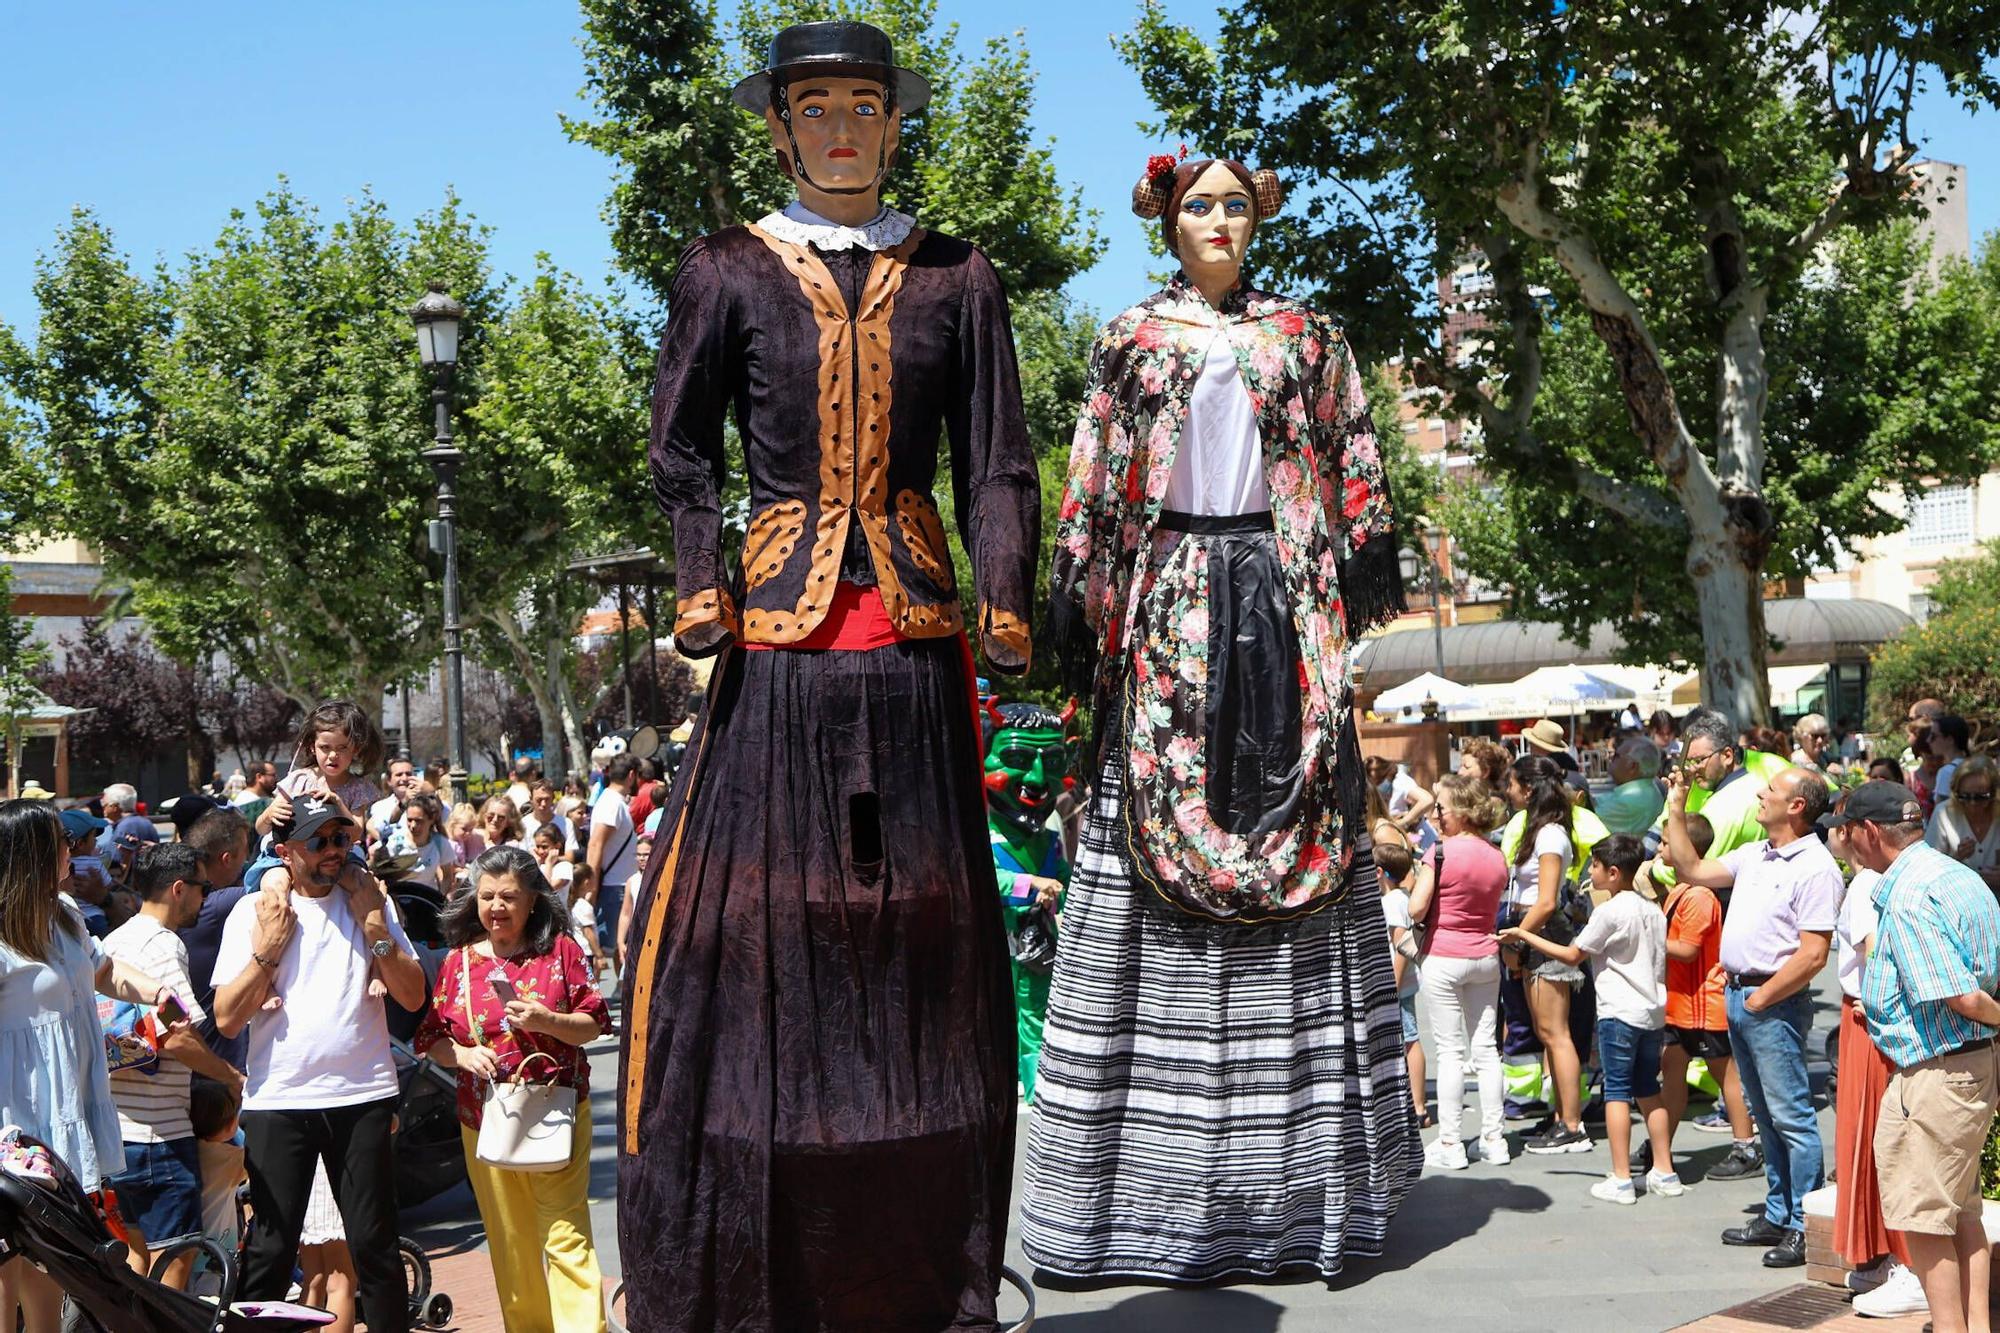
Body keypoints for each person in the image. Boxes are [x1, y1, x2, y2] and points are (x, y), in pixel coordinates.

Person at [621, 21, 1039, 1330]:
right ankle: (755, 1270)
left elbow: (998, 454)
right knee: (759, 935)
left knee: (920, 940)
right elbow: (680, 447)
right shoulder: (725, 269)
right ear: (781, 127)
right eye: (819, 108)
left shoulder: (960, 276)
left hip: (912, 647)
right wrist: (703, 575)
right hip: (781, 647)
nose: (846, 128)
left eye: (867, 104)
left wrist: (1006, 587)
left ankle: (929, 1271)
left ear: (893, 121)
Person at [1025, 146, 1417, 1284]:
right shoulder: (1128, 337)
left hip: (1284, 599)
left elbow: (1352, 460)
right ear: (1167, 219)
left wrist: (1352, 589)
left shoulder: (1307, 337)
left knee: (1307, 818)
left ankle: (1296, 1210)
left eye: (1233, 207)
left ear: (1255, 222)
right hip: (1165, 605)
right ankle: (1134, 1216)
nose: (1216, 222)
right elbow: (1094, 475)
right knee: (1138, 825)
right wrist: (1077, 598)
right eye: (1198, 206)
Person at [211, 792, 424, 1332]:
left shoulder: (372, 902)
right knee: (271, 1248)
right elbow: (228, 1017)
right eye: (318, 841)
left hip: (364, 1095)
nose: (333, 851)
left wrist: (375, 929)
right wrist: (270, 949)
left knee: (374, 1244)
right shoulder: (253, 913)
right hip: (280, 1100)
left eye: (341, 839)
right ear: (285, 851)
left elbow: (413, 996)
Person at [416, 845, 611, 1333]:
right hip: (485, 1120)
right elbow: (431, 1038)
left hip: (558, 1108)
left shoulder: (561, 950)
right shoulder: (458, 962)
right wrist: (461, 1055)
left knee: (565, 1236)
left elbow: (594, 1022)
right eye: (487, 897)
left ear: (533, 902)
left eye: (509, 896)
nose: (496, 907)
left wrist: (548, 1020)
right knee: (510, 1241)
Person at [0, 800, 178, 1333]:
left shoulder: (64, 914)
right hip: (16, 1116)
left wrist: (155, 992)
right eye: (61, 840)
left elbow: (102, 970)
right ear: (32, 854)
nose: (75, 849)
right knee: (6, 1261)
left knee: (51, 1249)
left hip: (65, 1105)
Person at [1833, 780, 2000, 1333]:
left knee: (1927, 1221)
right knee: (1962, 1212)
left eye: (1846, 830)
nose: (1842, 841)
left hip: (1937, 1072)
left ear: (1870, 832)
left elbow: (1962, 996)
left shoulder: (1907, 894)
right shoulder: (1958, 874)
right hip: (1964, 1066)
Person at [1664, 764, 1838, 1268]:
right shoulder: (1758, 853)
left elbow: (1813, 954)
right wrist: (1676, 808)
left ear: (1797, 806)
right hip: (1743, 997)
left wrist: (1763, 997)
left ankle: (1804, 1225)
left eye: (1772, 790)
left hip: (1770, 1000)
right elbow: (1692, 870)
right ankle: (1780, 1212)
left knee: (1791, 1117)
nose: (1761, 794)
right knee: (1765, 1115)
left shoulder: (1815, 866)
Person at [1502, 833, 1680, 1204]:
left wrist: (1524, 934)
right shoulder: (1651, 910)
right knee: (1648, 1088)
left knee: (1616, 1091)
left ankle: (1620, 1178)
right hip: (1651, 1012)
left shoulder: (1611, 911)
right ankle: (1664, 1170)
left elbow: (1572, 955)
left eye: (1596, 866)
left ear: (1613, 872)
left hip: (1620, 1012)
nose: (1591, 872)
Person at [100, 843, 244, 1288]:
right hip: (159, 1137)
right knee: (174, 1267)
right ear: (179, 889)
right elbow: (177, 1034)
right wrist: (231, 1077)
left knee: (136, 1264)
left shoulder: (114, 940)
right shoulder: (164, 945)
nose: (204, 898)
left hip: (114, 1133)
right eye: (201, 888)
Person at [1821, 800, 1923, 1320]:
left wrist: (1881, 994)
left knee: (1876, 1138)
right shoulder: (1874, 882)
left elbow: (1878, 947)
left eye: (1835, 830)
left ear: (1857, 834)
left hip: (1870, 1021)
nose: (1831, 838)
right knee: (1869, 1138)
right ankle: (1884, 1258)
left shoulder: (1864, 886)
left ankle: (1904, 1264)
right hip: (1870, 1015)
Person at [1406, 773, 1511, 1169]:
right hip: (1485, 953)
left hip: (1445, 955)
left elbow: (1417, 908)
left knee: (1450, 1052)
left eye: (1442, 809)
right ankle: (1494, 1138)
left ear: (1462, 812)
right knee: (1486, 1051)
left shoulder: (1439, 854)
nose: (1437, 814)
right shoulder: (1496, 855)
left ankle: (1451, 1142)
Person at [1654, 813, 1761, 1183]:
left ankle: (1745, 1145)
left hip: (1703, 1003)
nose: (1659, 848)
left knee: (1725, 1074)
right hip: (1680, 1003)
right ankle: (1660, 1144)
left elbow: (1686, 950)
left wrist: (1647, 935)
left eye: (1666, 843)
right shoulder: (1681, 890)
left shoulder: (1699, 895)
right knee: (1672, 1072)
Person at [1501, 755, 1591, 1154]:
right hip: (1533, 933)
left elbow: (1547, 900)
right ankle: (1561, 1116)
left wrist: (1519, 937)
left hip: (1542, 934)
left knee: (1556, 1033)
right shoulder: (1543, 831)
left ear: (1529, 788)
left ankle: (1571, 1124)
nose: (1508, 791)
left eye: (1513, 784)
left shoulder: (1550, 835)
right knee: (1547, 1033)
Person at [983, 703, 1072, 1101]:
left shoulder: (1049, 841)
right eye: (1019, 759)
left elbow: (1069, 890)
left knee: (1039, 1014)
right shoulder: (977, 827)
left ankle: (1040, 1096)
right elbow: (981, 878)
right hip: (993, 947)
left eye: (1051, 761)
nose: (1037, 778)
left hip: (1038, 947)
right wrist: (1028, 885)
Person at [257, 701, 386, 847]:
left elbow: (355, 834)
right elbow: (261, 829)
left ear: (355, 749)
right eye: (325, 747)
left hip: (339, 854)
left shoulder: (357, 788)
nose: (333, 755)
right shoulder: (299, 780)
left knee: (356, 869)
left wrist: (338, 803)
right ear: (312, 747)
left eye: (342, 748)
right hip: (295, 855)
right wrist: (268, 816)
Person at [1377, 841, 1427, 1128]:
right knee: (1405, 1038)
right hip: (1404, 983)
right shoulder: (1401, 898)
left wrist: (1392, 985)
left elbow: (1400, 946)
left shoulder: (1392, 902)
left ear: (1380, 872)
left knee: (1409, 1039)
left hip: (1399, 984)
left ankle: (1417, 1105)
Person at [585, 756, 637, 957]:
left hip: (617, 887)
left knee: (620, 949)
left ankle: (622, 988)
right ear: (632, 775)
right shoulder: (611, 804)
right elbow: (596, 844)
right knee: (616, 948)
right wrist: (593, 886)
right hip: (613, 888)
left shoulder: (614, 802)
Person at [1927, 755, 2000, 891]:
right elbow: (1929, 870)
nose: (1972, 804)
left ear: (1994, 793)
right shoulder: (1944, 813)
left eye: (1980, 797)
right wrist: (1955, 859)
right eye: (1965, 797)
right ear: (1955, 793)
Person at [386, 792, 459, 891]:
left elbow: (447, 877)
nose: (413, 826)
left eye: (419, 821)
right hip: (400, 896)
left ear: (431, 820)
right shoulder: (395, 842)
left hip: (426, 899)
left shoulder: (441, 844)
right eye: (410, 820)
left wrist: (439, 897)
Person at [58, 806, 114, 936]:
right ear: (80, 843)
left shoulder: (56, 866)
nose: (95, 841)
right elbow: (109, 884)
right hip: (94, 916)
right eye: (93, 837)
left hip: (67, 916)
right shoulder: (94, 863)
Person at [1597, 737, 1666, 835]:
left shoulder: (1630, 799)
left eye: (1616, 755)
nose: (1610, 758)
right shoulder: (1650, 788)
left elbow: (1584, 819)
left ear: (1632, 766)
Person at [1369, 754, 1438, 851]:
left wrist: (1404, 822)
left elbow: (1427, 800)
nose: (1377, 785)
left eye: (1378, 780)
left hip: (1421, 840)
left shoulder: (1400, 782)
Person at [367, 757, 422, 843]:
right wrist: (404, 802)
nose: (404, 778)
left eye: (408, 774)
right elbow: (381, 829)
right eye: (399, 775)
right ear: (389, 781)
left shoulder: (424, 801)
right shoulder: (380, 806)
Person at [519, 779, 577, 856]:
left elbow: (570, 857)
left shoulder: (566, 823)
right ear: (531, 799)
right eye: (539, 800)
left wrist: (550, 860)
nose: (543, 804)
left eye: (547, 799)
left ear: (553, 798)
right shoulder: (523, 824)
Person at [234, 762, 279, 830]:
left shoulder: (269, 798)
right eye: (273, 775)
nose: (276, 779)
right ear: (259, 777)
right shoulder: (245, 803)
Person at [444, 801, 485, 867]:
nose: (468, 833)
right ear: (453, 824)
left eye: (470, 830)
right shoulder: (447, 843)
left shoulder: (460, 841)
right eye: (464, 829)